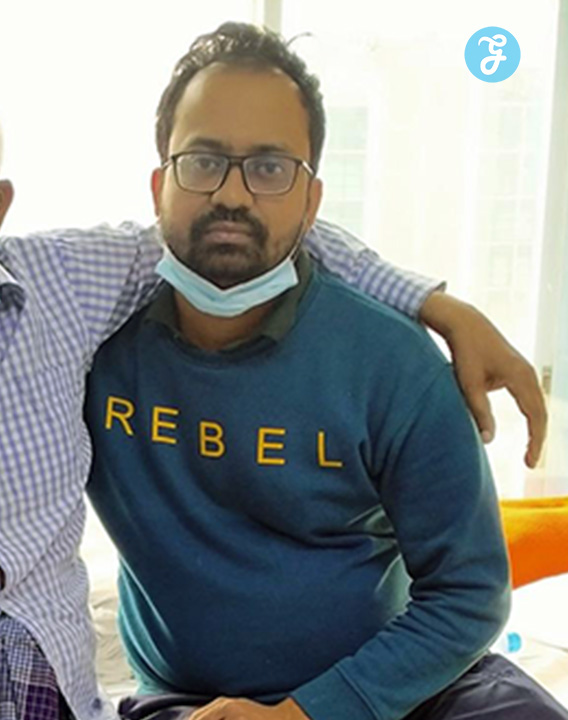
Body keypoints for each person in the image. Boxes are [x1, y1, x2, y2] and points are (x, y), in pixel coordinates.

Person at [0, 62, 543, 720]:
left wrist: (439, 304)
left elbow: (239, 231)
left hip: (381, 690)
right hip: (97, 701)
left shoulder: (68, 298)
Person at [81, 23, 567, 720]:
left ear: (312, 201)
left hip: (400, 688)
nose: (233, 195)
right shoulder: (90, 347)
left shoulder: (394, 364)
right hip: (192, 700)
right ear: (160, 185)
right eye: (204, 161)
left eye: (270, 168)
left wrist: (306, 714)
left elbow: (469, 593)